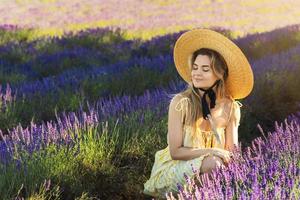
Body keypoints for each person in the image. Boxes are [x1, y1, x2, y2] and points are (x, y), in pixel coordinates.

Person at [143, 28, 254, 199]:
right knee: (214, 164)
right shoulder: (181, 103)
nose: (197, 73)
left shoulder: (231, 107)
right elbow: (176, 152)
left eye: (205, 69)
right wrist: (212, 151)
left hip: (212, 169)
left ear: (220, 73)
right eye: (195, 67)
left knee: (220, 167)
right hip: (174, 169)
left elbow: (232, 151)